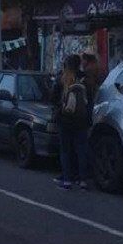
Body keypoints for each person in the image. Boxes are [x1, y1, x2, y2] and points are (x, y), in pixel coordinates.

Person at [55, 54, 91, 190]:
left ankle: (67, 179)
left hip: (66, 119)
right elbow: (91, 99)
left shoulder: (63, 79)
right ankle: (82, 179)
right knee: (81, 149)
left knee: (65, 149)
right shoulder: (85, 79)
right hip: (81, 120)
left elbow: (53, 96)